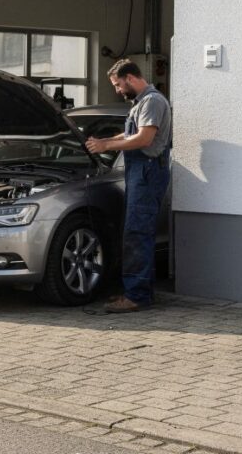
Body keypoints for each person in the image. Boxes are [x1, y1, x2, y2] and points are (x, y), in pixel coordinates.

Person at [85, 58, 172, 313]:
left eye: (117, 84)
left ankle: (137, 296)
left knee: (137, 234)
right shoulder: (141, 103)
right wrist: (105, 140)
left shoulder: (153, 101)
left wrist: (106, 147)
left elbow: (144, 138)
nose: (117, 90)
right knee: (136, 232)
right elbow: (131, 133)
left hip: (147, 172)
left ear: (131, 78)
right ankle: (140, 292)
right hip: (141, 172)